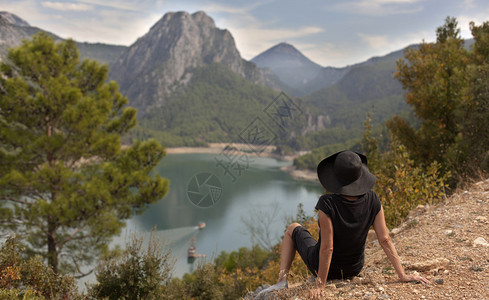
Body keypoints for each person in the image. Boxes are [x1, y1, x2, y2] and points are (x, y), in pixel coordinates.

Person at [259, 150, 430, 297]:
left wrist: (320, 285)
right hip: (354, 268)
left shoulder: (327, 204)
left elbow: (328, 248)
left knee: (292, 229)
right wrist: (402, 275)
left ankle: (282, 281)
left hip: (323, 268)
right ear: (360, 175)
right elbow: (385, 239)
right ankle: (284, 281)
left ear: (335, 177)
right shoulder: (373, 199)